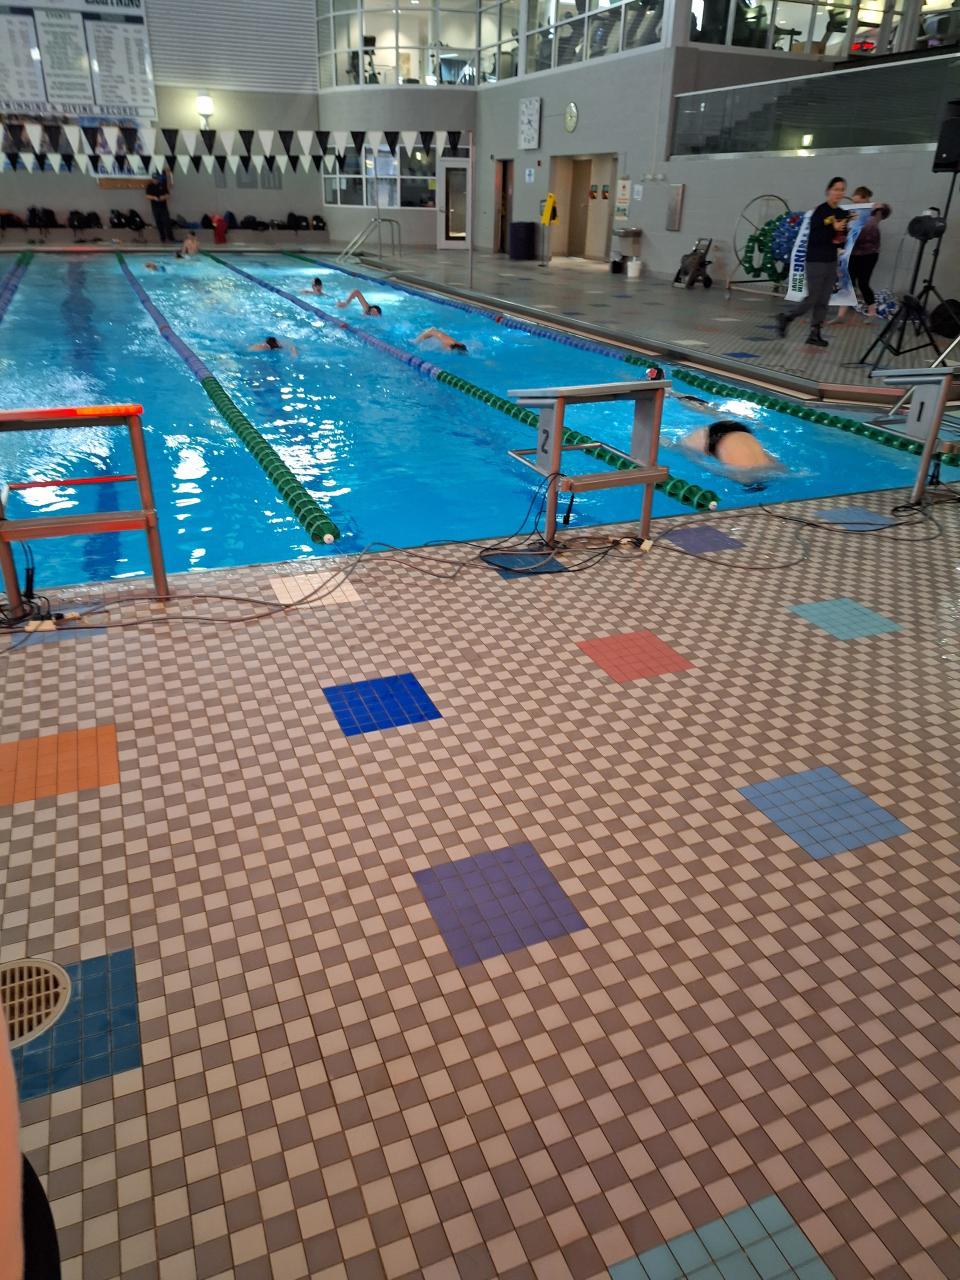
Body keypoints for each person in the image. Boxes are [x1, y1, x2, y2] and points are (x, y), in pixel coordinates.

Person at [776, 177, 850, 349]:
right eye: (836, 189)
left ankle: (815, 333)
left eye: (842, 190)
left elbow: (841, 239)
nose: (839, 193)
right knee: (813, 297)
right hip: (816, 259)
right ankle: (787, 317)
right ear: (828, 191)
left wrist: (841, 236)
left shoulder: (842, 213)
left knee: (824, 299)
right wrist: (833, 229)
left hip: (831, 260)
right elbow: (815, 238)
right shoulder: (820, 212)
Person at [832, 187, 891, 323]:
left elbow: (887, 211)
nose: (856, 204)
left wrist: (881, 206)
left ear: (865, 199)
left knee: (863, 283)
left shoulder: (874, 212)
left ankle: (872, 313)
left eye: (858, 202)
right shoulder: (851, 213)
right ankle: (840, 316)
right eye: (854, 202)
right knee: (847, 283)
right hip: (853, 253)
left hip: (869, 253)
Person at [680, 421, 782, 472]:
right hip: (729, 435)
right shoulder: (776, 470)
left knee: (682, 447)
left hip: (737, 432)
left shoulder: (747, 476)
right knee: (681, 447)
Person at [145, 169, 176, 244]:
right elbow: (147, 196)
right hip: (155, 207)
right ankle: (163, 238)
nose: (155, 180)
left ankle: (171, 238)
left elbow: (168, 195)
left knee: (167, 222)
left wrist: (163, 197)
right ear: (152, 179)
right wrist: (154, 198)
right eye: (154, 179)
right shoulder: (149, 186)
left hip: (163, 207)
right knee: (158, 223)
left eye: (156, 179)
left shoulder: (163, 185)